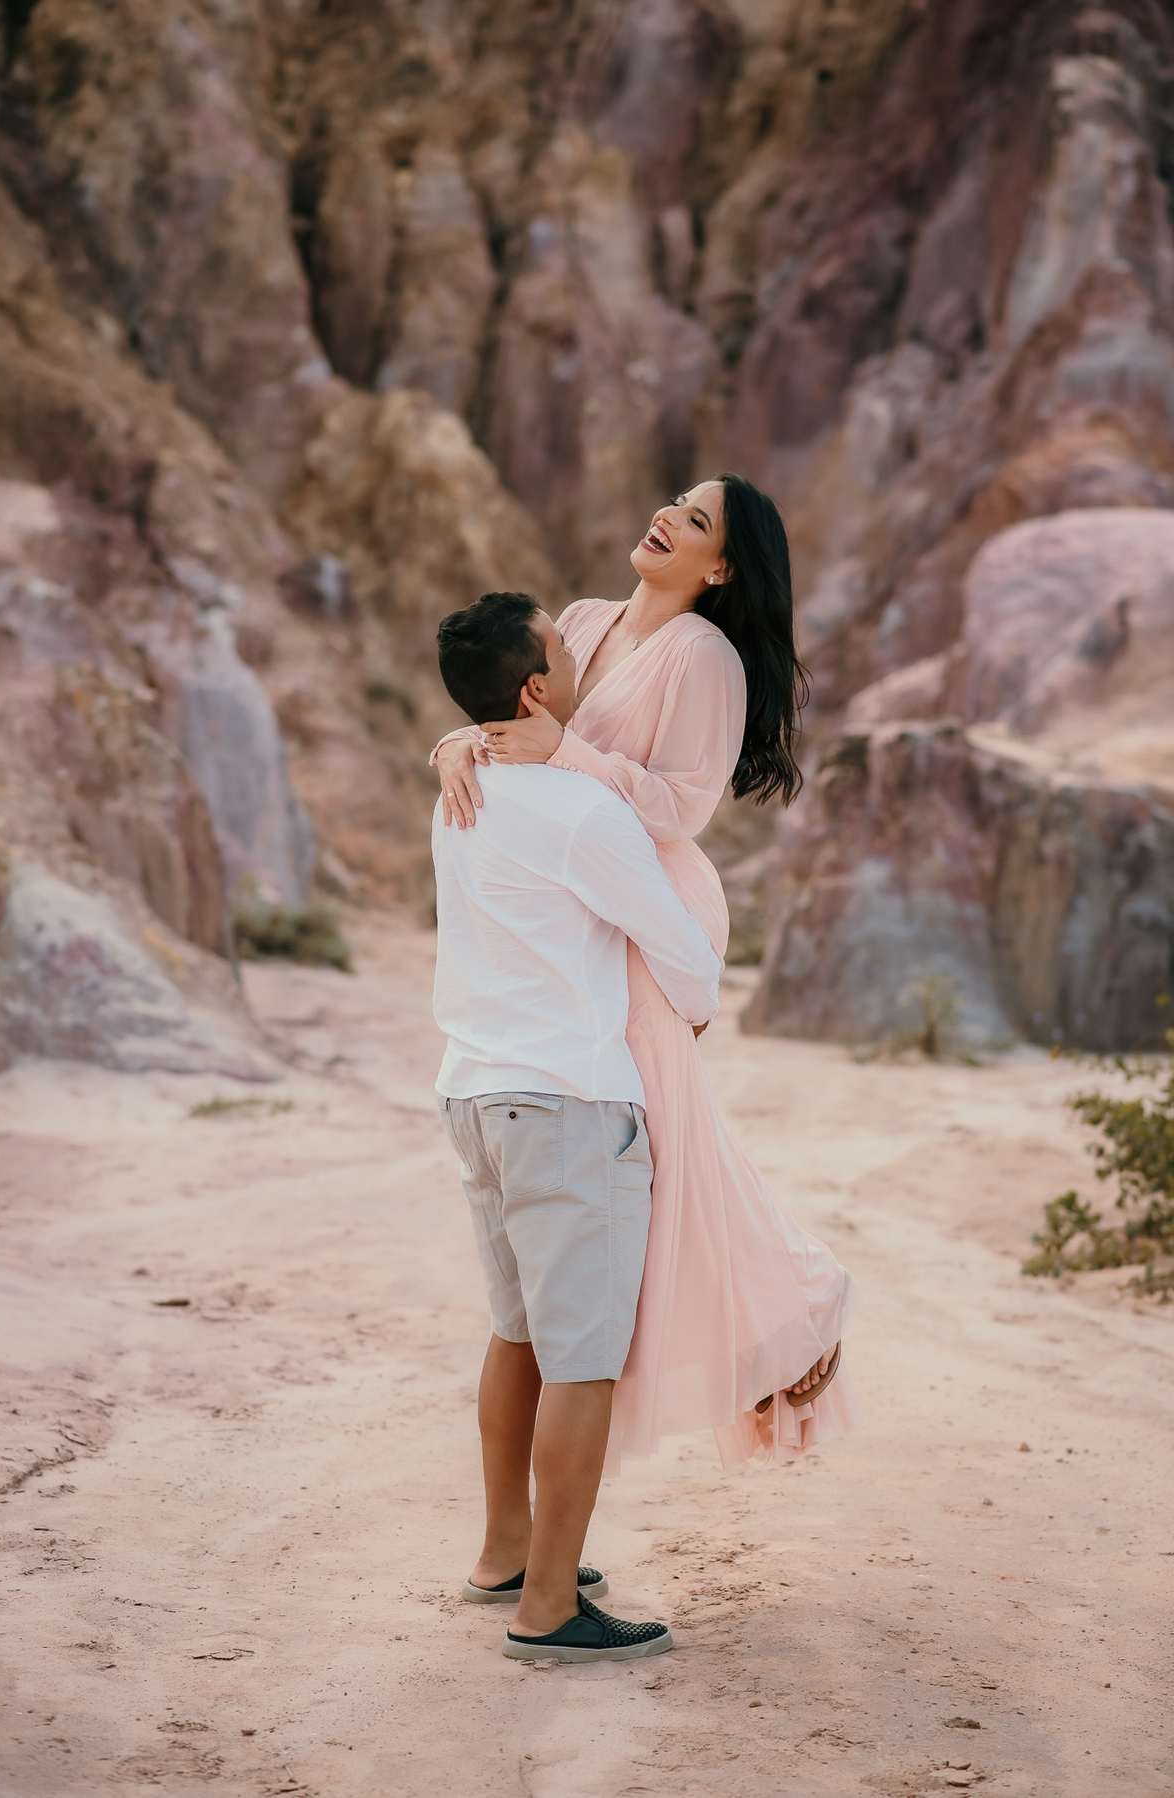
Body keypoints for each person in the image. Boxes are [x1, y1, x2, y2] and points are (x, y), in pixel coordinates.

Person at [434, 473, 863, 1472]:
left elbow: (677, 809)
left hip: (651, 902)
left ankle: (794, 1308)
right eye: (676, 499)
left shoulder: (704, 655)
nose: (668, 515)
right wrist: (454, 743)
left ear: (719, 568)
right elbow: (517, 716)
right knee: (652, 1148)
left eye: (697, 521)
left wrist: (567, 752)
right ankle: (771, 1312)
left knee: (656, 1139)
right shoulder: (580, 620)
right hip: (580, 899)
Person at [432, 590, 723, 1663]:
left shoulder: (458, 788)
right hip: (567, 1103)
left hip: (474, 1092)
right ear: (536, 688)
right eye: (561, 644)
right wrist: (696, 1002)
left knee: (517, 1332)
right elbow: (681, 952)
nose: (578, 649)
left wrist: (456, 740)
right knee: (584, 1360)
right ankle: (549, 1604)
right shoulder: (582, 812)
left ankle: (505, 1549)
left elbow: (477, 747)